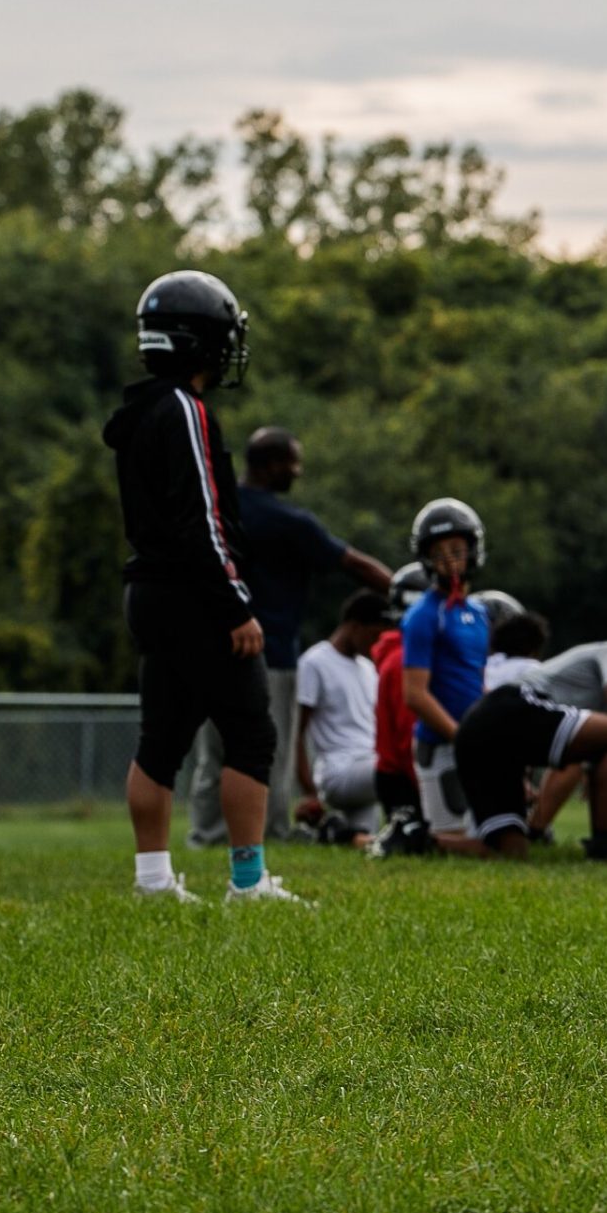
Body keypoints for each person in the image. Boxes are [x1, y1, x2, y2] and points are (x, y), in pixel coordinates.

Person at [104, 270, 304, 905]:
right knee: (252, 732)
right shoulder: (185, 411)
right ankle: (248, 882)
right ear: (201, 343)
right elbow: (205, 519)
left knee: (160, 738)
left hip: (151, 593)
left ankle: (154, 880)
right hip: (195, 597)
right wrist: (236, 604)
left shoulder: (138, 413)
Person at [187, 428, 392, 845]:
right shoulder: (288, 522)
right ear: (270, 464)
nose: (296, 472)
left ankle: (206, 835)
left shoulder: (218, 510)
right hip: (271, 650)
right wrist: (409, 591)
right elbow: (354, 564)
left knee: (214, 752)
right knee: (268, 749)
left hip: (211, 646)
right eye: (292, 463)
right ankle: (272, 831)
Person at [456, 635, 607, 862]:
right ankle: (606, 847)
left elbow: (568, 761)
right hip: (510, 706)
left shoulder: (586, 710)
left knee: (511, 850)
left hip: (477, 729)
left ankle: (420, 840)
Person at [399, 498, 493, 855]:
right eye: (440, 553)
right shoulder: (424, 615)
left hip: (470, 740)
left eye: (457, 550)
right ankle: (406, 842)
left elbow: (476, 679)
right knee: (452, 843)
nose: (451, 561)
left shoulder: (478, 611)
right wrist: (461, 736)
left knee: (487, 837)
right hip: (441, 745)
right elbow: (415, 694)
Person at [292, 591, 389, 844]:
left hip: (367, 766)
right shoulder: (315, 663)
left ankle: (321, 834)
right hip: (339, 770)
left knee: (367, 842)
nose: (377, 644)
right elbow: (296, 732)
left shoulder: (368, 668)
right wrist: (309, 791)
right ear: (354, 626)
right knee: (404, 765)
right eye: (374, 635)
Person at [372, 561, 431, 822]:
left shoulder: (400, 655)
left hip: (403, 773)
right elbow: (409, 735)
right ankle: (346, 835)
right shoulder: (404, 661)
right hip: (405, 777)